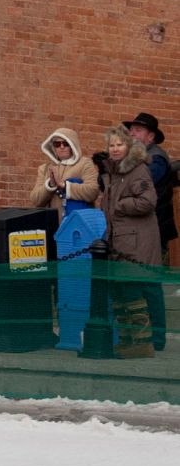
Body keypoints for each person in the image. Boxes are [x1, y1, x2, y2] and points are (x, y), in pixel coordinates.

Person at [99, 125, 162, 356]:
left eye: (119, 145)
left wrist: (121, 205)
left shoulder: (137, 170)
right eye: (111, 145)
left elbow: (148, 201)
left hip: (135, 245)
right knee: (121, 294)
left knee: (133, 294)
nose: (115, 149)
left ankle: (142, 343)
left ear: (128, 146)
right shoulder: (114, 174)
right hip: (120, 243)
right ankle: (128, 341)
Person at [124, 113, 174, 266]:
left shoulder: (156, 158)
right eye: (131, 130)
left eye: (138, 130)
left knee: (149, 276)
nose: (131, 133)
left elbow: (140, 185)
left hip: (153, 226)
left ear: (151, 136)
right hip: (137, 225)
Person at [29, 128, 99, 216]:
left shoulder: (85, 164)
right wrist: (50, 185)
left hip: (76, 223)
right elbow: (35, 200)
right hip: (53, 225)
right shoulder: (45, 168)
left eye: (66, 143)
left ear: (73, 145)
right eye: (57, 144)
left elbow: (93, 191)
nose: (61, 147)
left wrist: (65, 186)